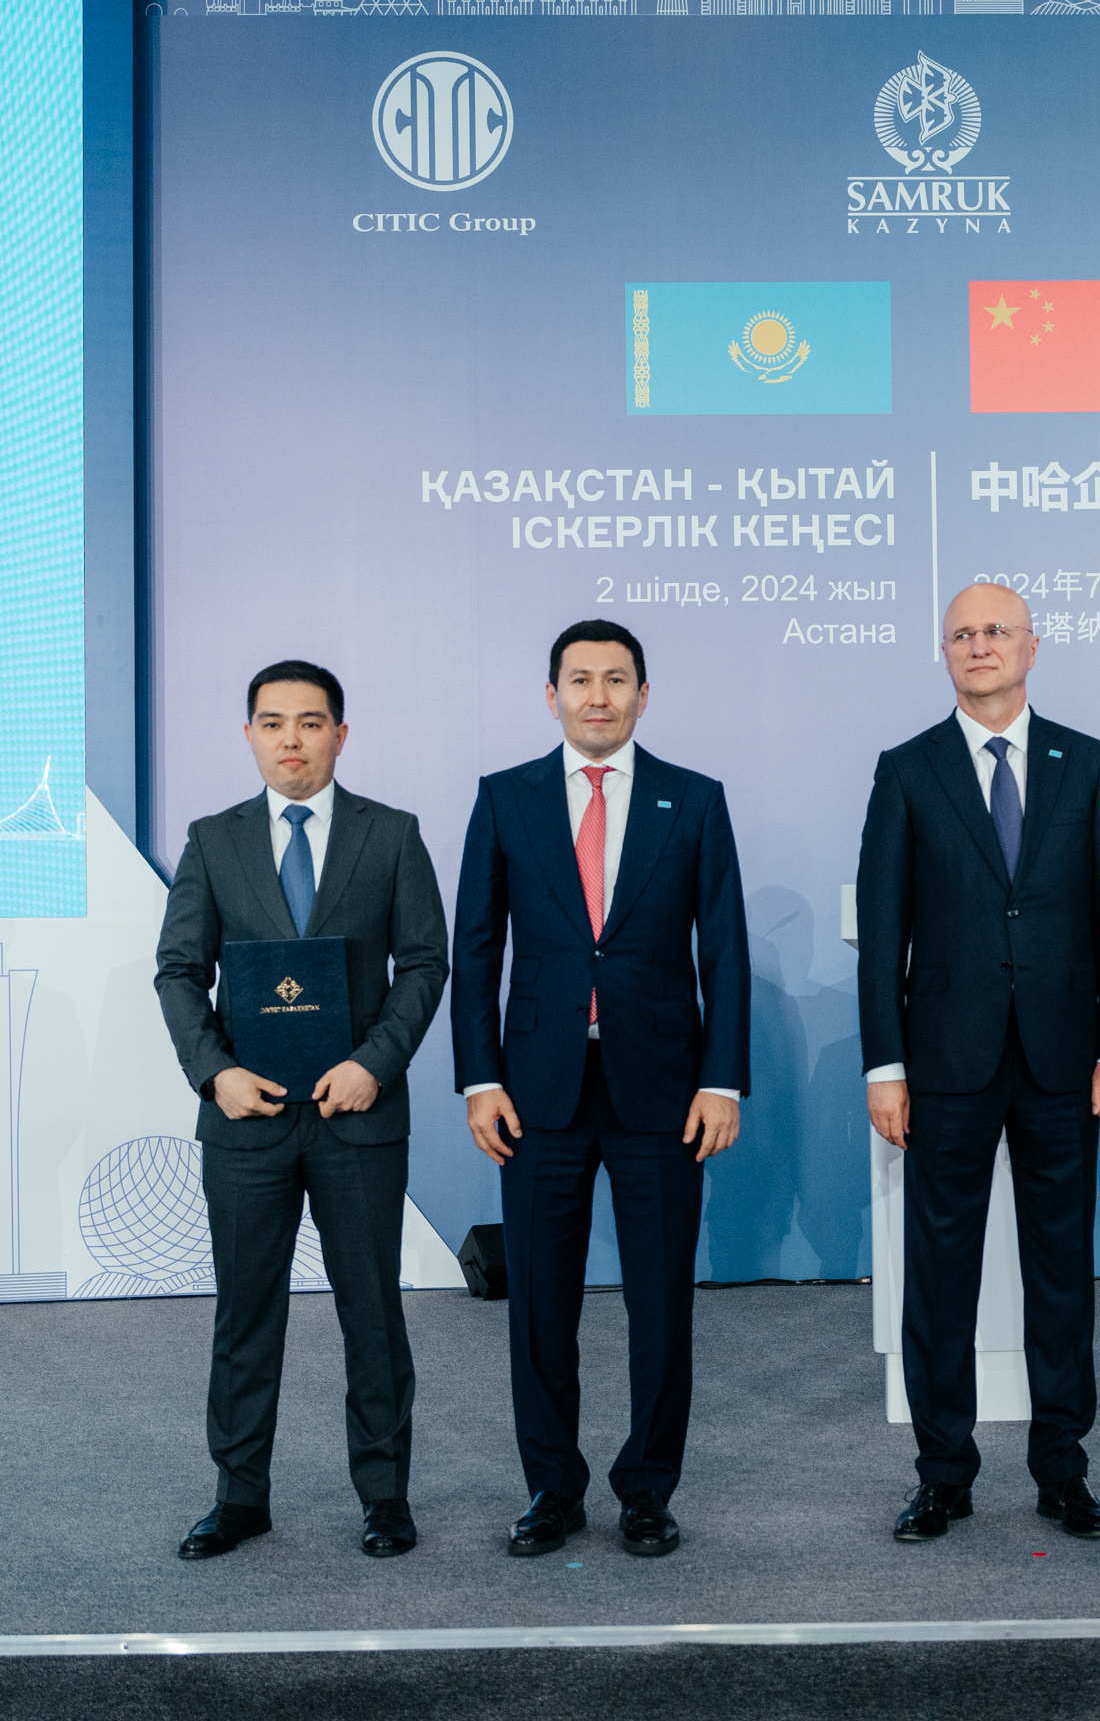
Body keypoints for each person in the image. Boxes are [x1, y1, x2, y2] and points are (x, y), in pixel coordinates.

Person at [452, 619, 750, 1560]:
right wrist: (479, 1079)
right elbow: (475, 952)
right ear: (551, 696)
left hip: (661, 1090)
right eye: (579, 679)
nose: (597, 696)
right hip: (535, 1092)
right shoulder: (505, 798)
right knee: (541, 1303)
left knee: (660, 1304)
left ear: (643, 696)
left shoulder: (692, 800)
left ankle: (648, 1491)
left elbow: (725, 952)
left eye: (616, 679)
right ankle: (552, 1489)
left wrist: (722, 1080)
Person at [856, 583, 1100, 1543]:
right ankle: (943, 1473)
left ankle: (1064, 1472)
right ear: (945, 653)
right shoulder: (907, 769)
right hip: (944, 1062)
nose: (980, 646)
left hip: (1065, 1059)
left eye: (996, 631)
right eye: (962, 634)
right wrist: (885, 1067)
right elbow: (884, 931)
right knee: (940, 1276)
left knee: (1062, 1273)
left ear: (1032, 646)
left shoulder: (1087, 762)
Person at [154, 661, 449, 1562]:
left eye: (311, 723)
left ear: (340, 736)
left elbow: (425, 963)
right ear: (249, 735)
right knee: (246, 1316)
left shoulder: (391, 834)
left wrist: (374, 1063)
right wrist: (215, 1074)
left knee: (373, 1314)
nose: (292, 739)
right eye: (273, 722)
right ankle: (240, 1497)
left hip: (359, 1116)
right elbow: (178, 971)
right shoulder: (213, 840)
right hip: (246, 1121)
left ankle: (385, 1497)